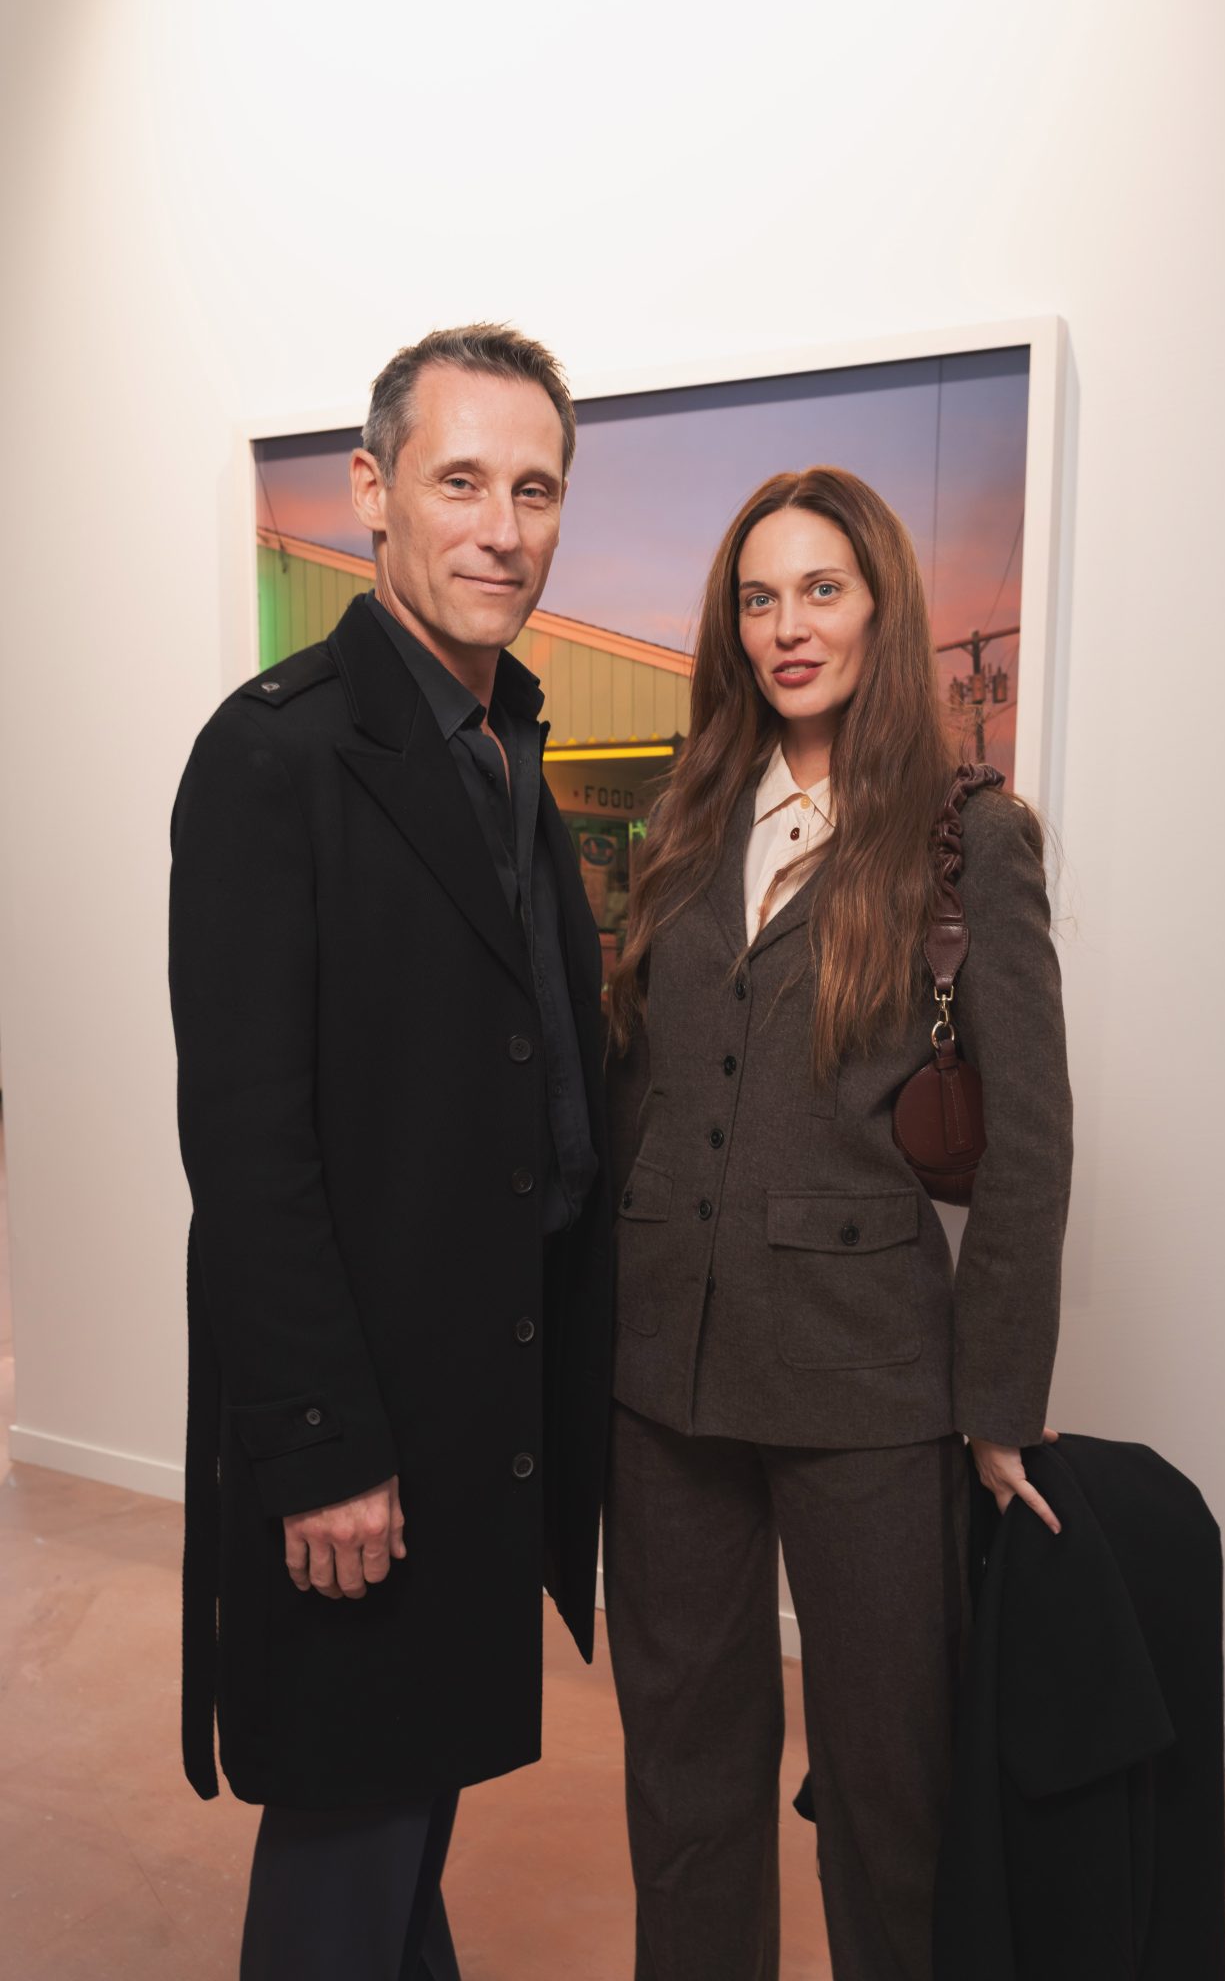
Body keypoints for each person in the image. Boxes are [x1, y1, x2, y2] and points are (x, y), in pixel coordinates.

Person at [169, 324, 613, 1980]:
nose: (503, 527)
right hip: (368, 1418)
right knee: (350, 1825)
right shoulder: (273, 757)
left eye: (537, 489)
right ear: (372, 493)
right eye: (461, 482)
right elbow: (247, 1145)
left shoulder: (508, 752)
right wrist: (321, 1444)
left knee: (402, 1802)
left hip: (479, 1397)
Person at [603, 466, 1073, 1981]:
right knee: (683, 1778)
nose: (787, 626)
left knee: (889, 1787)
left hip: (870, 1385)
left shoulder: (963, 839)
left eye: (821, 591)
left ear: (881, 607)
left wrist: (995, 1403)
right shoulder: (685, 814)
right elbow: (643, 1086)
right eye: (758, 596)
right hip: (664, 1379)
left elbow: (1032, 1144)